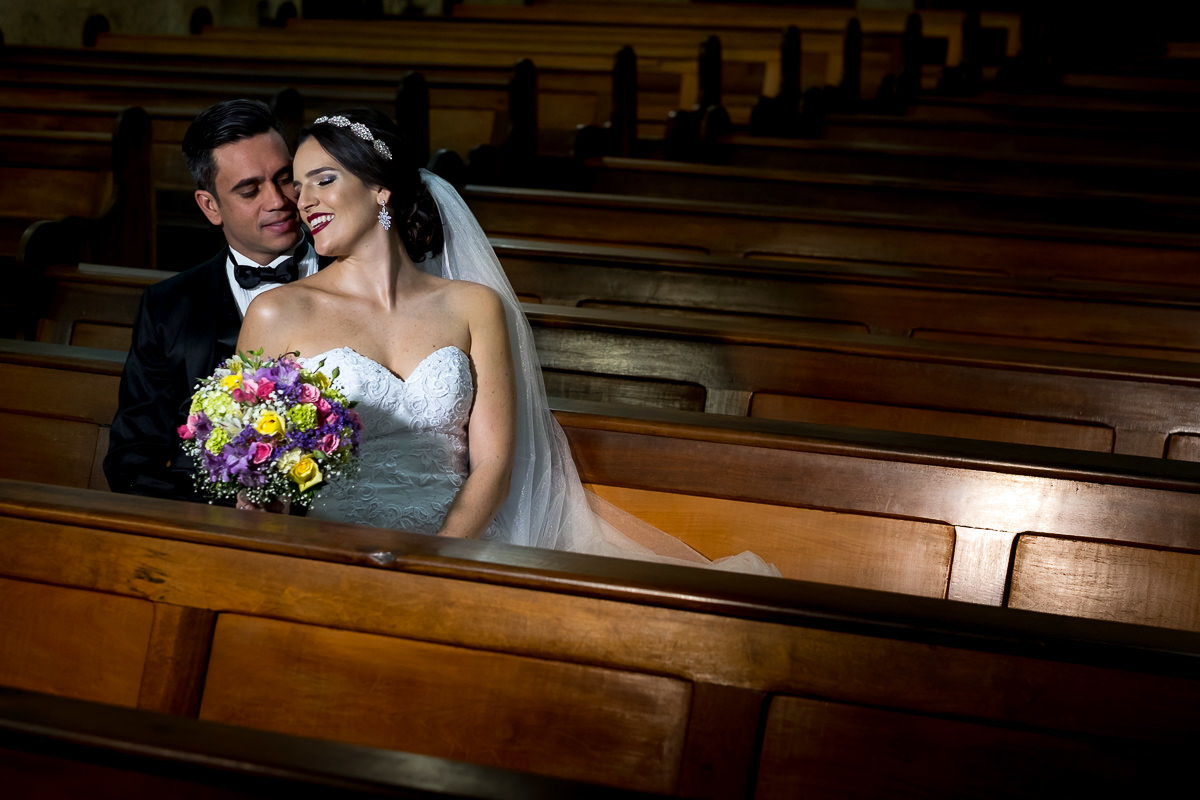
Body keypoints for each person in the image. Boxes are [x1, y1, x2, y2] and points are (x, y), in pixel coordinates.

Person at [237, 108, 777, 574]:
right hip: (337, 553)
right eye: (299, 187)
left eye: (322, 180)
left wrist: (435, 561)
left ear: (381, 188)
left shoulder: (474, 306)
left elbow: (493, 466)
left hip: (463, 546)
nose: (303, 202)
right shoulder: (277, 312)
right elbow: (251, 469)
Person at [104, 99, 324, 500]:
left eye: (284, 178)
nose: (278, 200)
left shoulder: (358, 272)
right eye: (250, 190)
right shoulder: (167, 306)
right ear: (210, 206)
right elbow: (132, 459)